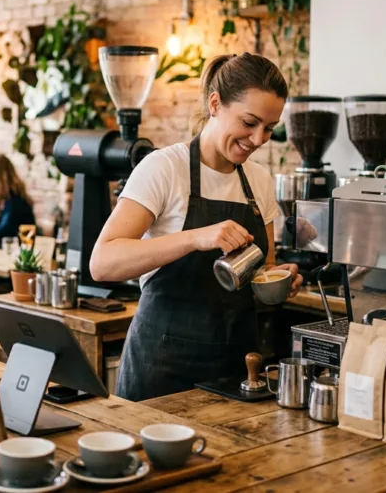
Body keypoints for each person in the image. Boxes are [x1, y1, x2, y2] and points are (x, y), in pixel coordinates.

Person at [90, 53, 304, 402]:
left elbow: (262, 269)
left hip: (235, 366)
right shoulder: (163, 168)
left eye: (269, 128)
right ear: (215, 104)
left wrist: (278, 278)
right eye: (249, 122)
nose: (258, 138)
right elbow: (103, 262)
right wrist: (195, 238)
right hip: (162, 367)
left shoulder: (259, 182)